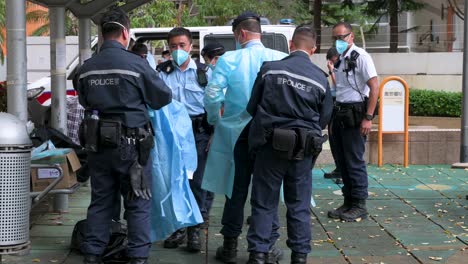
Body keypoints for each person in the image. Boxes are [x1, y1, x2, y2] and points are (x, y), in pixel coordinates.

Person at [75, 8, 172, 264]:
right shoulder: (137, 65)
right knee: (137, 200)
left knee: (101, 201)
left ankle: (92, 254)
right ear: (125, 33)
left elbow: (84, 100)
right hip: (132, 146)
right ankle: (138, 257)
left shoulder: (86, 69)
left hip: (98, 144)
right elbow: (162, 97)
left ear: (102, 33)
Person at [201, 11, 287, 263]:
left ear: (240, 34)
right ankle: (267, 246)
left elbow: (212, 95)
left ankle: (229, 246)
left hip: (236, 134)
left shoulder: (229, 59)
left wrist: (217, 121)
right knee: (268, 192)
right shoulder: (279, 57)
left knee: (234, 191)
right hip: (270, 136)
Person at [246, 25, 332, 264]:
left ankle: (258, 254)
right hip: (303, 150)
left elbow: (252, 107)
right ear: (313, 50)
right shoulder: (321, 80)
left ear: (291, 44)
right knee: (299, 204)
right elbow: (324, 118)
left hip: (270, 146)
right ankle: (300, 256)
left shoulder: (270, 70)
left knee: (264, 201)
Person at [157, 27, 212, 253]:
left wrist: (214, 134)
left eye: (182, 45)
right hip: (170, 135)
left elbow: (218, 105)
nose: (178, 50)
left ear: (191, 46)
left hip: (198, 133)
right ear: (168, 48)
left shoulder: (204, 73)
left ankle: (194, 231)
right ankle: (177, 227)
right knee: (172, 181)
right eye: (173, 46)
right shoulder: (161, 72)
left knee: (196, 183)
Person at [327, 22, 379, 222]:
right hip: (340, 114)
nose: (338, 41)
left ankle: (359, 204)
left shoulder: (361, 57)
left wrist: (368, 117)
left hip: (356, 115)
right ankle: (348, 201)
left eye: (342, 37)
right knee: (342, 161)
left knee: (354, 161)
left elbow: (374, 87)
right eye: (335, 38)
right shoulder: (340, 59)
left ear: (351, 36)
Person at [324, 47, 342, 180]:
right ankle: (338, 167)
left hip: (341, 105)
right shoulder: (336, 67)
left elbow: (339, 85)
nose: (332, 63)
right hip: (333, 103)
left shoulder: (341, 67)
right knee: (332, 137)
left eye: (333, 61)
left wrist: (331, 71)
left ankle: (343, 170)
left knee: (337, 137)